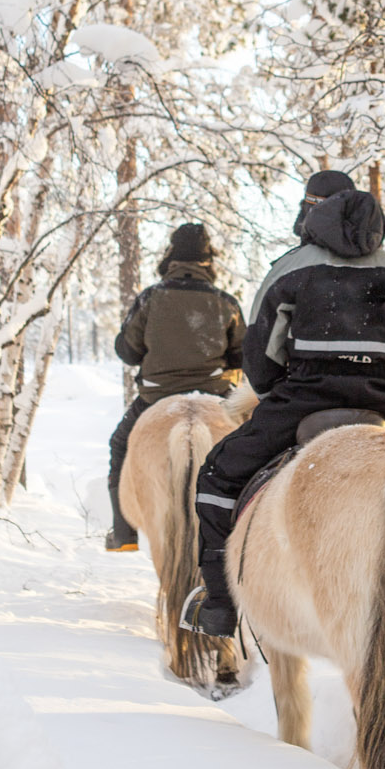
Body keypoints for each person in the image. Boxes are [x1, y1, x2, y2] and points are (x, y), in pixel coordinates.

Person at [186, 169, 385, 637]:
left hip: (302, 400)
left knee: (218, 477)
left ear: (311, 212)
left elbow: (259, 361)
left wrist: (288, 384)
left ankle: (219, 604)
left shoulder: (292, 268)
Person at [106, 222, 245, 552]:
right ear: (208, 260)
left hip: (157, 396)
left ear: (171, 257)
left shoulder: (150, 299)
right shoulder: (225, 302)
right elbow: (243, 354)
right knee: (256, 451)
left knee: (120, 446)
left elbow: (127, 351)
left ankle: (123, 534)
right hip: (218, 398)